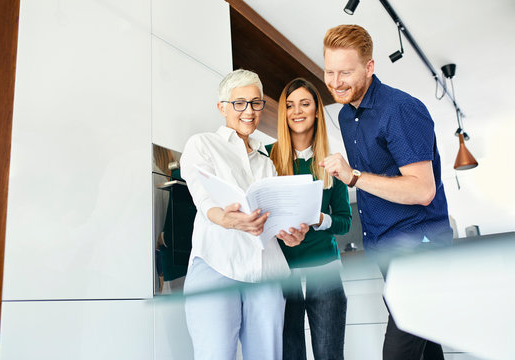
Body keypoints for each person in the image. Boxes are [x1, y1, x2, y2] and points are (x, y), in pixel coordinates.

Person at [319, 25, 453, 360]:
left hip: (419, 248)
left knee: (399, 352)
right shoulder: (348, 115)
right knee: (426, 346)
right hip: (384, 249)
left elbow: (422, 189)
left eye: (346, 72)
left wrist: (353, 178)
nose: (335, 82)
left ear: (369, 67)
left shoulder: (400, 109)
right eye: (330, 71)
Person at [180, 69, 309, 360]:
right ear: (222, 107)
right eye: (240, 103)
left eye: (256, 103)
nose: (249, 111)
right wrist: (222, 217)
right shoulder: (202, 144)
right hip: (217, 263)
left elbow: (274, 221)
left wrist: (290, 234)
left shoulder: (266, 162)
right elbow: (202, 195)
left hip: (266, 272)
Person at [266, 78, 352, 360]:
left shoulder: (332, 161)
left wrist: (318, 219)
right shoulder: (268, 157)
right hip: (283, 271)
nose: (297, 111)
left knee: (329, 354)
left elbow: (344, 222)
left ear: (316, 111)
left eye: (305, 104)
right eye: (290, 105)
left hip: (324, 268)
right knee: (290, 353)